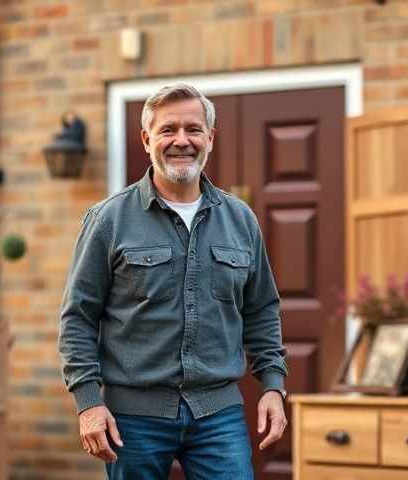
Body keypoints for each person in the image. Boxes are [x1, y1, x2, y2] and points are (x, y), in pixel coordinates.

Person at [58, 83, 288, 480]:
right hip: (133, 418)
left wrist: (272, 385)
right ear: (147, 140)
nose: (181, 140)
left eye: (193, 129)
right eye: (168, 130)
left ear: (210, 139)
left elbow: (262, 310)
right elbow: (78, 317)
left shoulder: (240, 220)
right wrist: (89, 403)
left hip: (219, 416)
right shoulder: (109, 220)